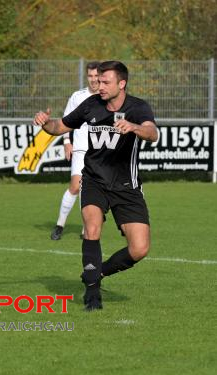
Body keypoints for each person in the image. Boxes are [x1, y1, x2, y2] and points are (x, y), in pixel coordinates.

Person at [33, 61, 158, 311]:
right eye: (98, 81)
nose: (98, 86)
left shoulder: (138, 107)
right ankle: (92, 294)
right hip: (94, 180)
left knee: (140, 248)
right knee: (91, 228)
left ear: (121, 84)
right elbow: (60, 126)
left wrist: (133, 127)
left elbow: (152, 132)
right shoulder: (91, 104)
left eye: (105, 82)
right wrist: (46, 122)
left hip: (126, 185)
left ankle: (96, 273)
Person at [51, 61, 100, 240]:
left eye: (96, 76)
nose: (93, 80)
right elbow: (66, 121)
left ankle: (86, 228)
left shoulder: (106, 97)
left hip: (100, 152)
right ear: (87, 76)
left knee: (93, 190)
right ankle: (59, 225)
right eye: (90, 76)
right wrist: (66, 141)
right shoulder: (77, 96)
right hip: (80, 150)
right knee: (75, 186)